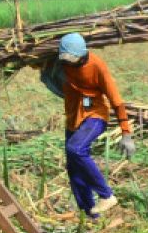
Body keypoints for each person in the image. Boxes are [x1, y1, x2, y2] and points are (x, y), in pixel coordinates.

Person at [41, 33, 136, 217]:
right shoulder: (61, 63)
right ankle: (89, 214)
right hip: (73, 117)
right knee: (74, 168)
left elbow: (116, 101)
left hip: (95, 114)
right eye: (66, 61)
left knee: (76, 148)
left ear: (82, 54)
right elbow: (36, 63)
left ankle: (106, 195)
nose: (69, 65)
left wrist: (126, 134)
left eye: (72, 61)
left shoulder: (97, 66)